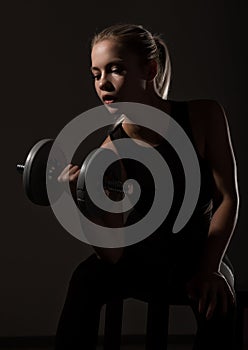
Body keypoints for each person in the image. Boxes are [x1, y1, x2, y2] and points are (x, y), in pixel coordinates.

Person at [55, 23, 239, 349]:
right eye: (96, 74)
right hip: (144, 258)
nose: (103, 83)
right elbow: (113, 254)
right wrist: (78, 201)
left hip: (201, 252)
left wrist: (210, 269)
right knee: (86, 278)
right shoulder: (108, 153)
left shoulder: (204, 116)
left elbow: (227, 198)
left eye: (116, 70)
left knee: (219, 298)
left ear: (150, 70)